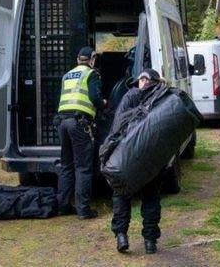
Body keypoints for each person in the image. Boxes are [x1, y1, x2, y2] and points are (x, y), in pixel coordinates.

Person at [111, 68, 164, 254]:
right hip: (151, 158)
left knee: (121, 195)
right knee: (150, 197)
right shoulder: (163, 99)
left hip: (127, 156)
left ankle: (121, 235)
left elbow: (117, 126)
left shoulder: (129, 96)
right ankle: (150, 241)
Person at [56, 46, 106, 219]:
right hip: (80, 123)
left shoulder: (67, 75)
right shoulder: (92, 74)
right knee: (83, 167)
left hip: (62, 123)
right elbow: (94, 97)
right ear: (92, 60)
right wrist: (104, 104)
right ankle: (83, 210)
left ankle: (63, 205)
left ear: (78, 59)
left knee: (66, 166)